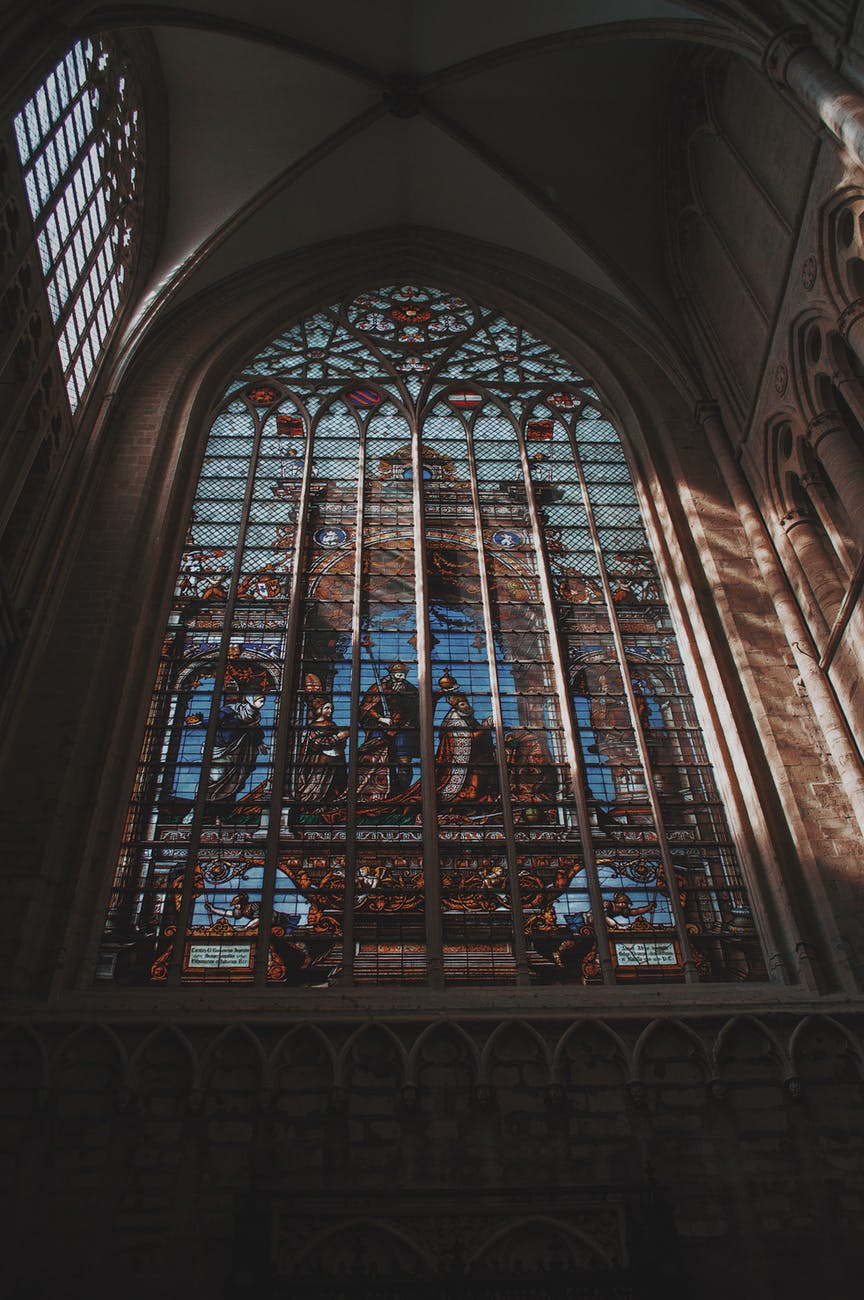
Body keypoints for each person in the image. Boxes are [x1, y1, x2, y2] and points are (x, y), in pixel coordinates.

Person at [357, 661, 420, 799]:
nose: (400, 676)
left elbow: (418, 710)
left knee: (404, 762)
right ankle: (380, 795)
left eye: (403, 674)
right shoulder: (379, 688)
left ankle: (402, 795)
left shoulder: (411, 690)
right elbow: (366, 708)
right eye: (398, 674)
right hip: (381, 729)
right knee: (380, 761)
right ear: (391, 674)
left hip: (404, 730)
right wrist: (380, 718)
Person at [435, 693, 497, 805]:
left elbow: (478, 738)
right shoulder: (454, 721)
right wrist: (484, 728)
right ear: (456, 707)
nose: (466, 706)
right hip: (461, 764)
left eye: (466, 703)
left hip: (477, 761)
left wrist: (484, 728)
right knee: (472, 793)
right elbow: (466, 738)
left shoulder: (469, 719)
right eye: (462, 704)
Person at [296, 700, 349, 807]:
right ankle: (314, 803)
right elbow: (317, 743)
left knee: (335, 785)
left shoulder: (332, 724)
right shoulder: (313, 727)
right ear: (319, 710)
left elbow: (340, 744)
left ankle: (332, 803)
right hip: (321, 761)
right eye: (327, 708)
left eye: (331, 708)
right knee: (320, 785)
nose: (330, 711)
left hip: (337, 760)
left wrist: (341, 739)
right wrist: (338, 737)